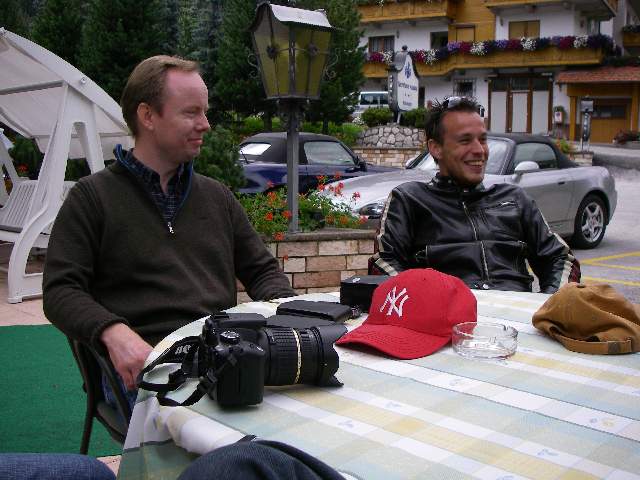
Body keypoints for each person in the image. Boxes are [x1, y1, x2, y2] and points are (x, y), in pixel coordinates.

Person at [43, 56, 295, 409]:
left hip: (220, 353)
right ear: (148, 116)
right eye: (191, 113)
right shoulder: (93, 198)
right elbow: (60, 290)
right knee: (224, 430)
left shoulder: (216, 197)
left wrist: (287, 312)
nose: (205, 124)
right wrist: (113, 332)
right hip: (143, 362)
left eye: (205, 112)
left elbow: (262, 270)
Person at [370, 96, 580, 293]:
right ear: (436, 148)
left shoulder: (515, 199)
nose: (480, 150)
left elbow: (560, 258)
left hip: (516, 314)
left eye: (483, 140)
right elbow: (384, 263)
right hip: (444, 314)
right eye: (465, 140)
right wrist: (423, 306)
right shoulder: (409, 199)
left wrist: (552, 304)